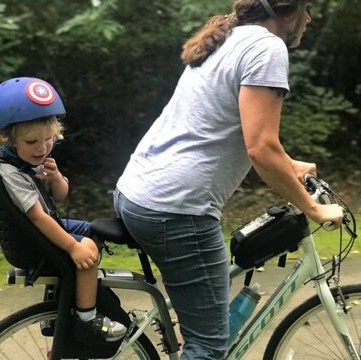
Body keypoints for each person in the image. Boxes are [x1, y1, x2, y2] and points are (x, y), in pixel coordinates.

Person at [114, 0, 344, 358]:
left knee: (204, 318)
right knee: (208, 347)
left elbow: (228, 127)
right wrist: (313, 208)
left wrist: (290, 165)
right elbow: (261, 148)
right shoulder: (268, 47)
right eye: (306, 8)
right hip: (177, 210)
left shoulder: (232, 37)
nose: (310, 18)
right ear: (286, 12)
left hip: (139, 191)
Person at [0, 77, 127, 342]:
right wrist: (75, 248)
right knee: (87, 250)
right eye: (31, 142)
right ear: (7, 138)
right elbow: (37, 216)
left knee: (93, 231)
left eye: (49, 139)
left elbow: (60, 197)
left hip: (42, 228)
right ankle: (87, 318)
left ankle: (69, 293)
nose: (41, 148)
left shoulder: (26, 159)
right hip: (32, 239)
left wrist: (55, 178)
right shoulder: (10, 172)